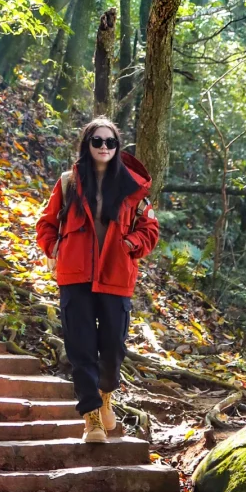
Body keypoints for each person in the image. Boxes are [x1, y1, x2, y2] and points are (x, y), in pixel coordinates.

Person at [36, 116, 159, 444]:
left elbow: (150, 229)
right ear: (87, 145)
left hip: (116, 277)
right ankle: (91, 419)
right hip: (74, 276)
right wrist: (55, 247)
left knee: (113, 346)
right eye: (97, 141)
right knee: (81, 347)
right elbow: (46, 224)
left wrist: (131, 245)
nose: (104, 147)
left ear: (117, 147)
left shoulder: (133, 188)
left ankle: (106, 398)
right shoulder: (69, 182)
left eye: (110, 142)